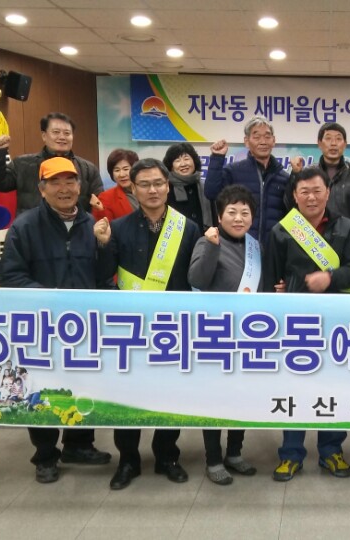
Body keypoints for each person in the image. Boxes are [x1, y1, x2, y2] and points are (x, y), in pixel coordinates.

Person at [0, 156, 113, 484]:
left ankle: (79, 444)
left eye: (70, 181)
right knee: (41, 389)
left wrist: (104, 247)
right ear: (42, 189)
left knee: (84, 385)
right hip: (43, 326)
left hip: (84, 326)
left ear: (80, 186)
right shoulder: (24, 226)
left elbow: (104, 277)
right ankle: (46, 455)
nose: (64, 189)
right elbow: (10, 277)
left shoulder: (93, 224)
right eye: (55, 182)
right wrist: (52, 298)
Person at [94, 158, 202, 490]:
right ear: (133, 188)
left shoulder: (188, 228)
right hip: (131, 329)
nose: (152, 190)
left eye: (158, 183)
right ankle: (128, 460)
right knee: (127, 395)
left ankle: (167, 456)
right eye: (144, 184)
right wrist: (102, 245)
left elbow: (195, 278)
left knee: (171, 395)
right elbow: (103, 277)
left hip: (174, 328)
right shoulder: (119, 228)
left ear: (167, 186)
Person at [263, 167, 350, 481]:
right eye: (304, 191)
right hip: (295, 323)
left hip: (336, 321)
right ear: (295, 196)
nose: (311, 197)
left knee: (333, 386)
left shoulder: (345, 226)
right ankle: (290, 453)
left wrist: (330, 278)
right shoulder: (281, 231)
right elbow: (271, 279)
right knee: (294, 387)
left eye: (317, 190)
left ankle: (331, 451)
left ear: (327, 193)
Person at [188, 185, 263, 485]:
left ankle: (234, 452)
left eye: (245, 212)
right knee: (213, 398)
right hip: (216, 335)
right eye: (231, 212)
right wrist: (211, 246)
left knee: (241, 397)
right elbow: (196, 279)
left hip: (247, 336)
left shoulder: (255, 247)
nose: (239, 218)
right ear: (219, 216)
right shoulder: (207, 240)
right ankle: (213, 459)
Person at [0, 112, 103, 215]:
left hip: (73, 229)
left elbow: (100, 201)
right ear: (44, 136)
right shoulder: (22, 164)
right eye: (56, 132)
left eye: (67, 133)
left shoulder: (88, 169)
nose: (62, 137)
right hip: (31, 229)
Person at [205, 116, 290, 243]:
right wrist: (217, 158)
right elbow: (211, 192)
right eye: (256, 137)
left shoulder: (284, 177)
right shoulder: (233, 171)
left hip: (273, 248)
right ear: (246, 141)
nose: (263, 142)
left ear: (274, 141)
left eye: (267, 137)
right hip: (240, 246)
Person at [291, 122, 350, 238]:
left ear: (345, 144)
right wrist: (295, 174)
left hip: (347, 240)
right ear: (319, 144)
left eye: (338, 139)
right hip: (313, 241)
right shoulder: (307, 173)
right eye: (328, 138)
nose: (333, 144)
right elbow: (292, 206)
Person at [163, 142, 214, 230]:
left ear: (194, 161)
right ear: (171, 166)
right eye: (177, 160)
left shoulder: (206, 188)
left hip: (205, 236)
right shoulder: (166, 189)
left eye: (186, 159)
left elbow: (214, 217)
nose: (183, 164)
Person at [91, 148, 138, 221]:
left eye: (126, 169)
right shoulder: (106, 197)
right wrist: (99, 209)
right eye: (117, 170)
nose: (121, 174)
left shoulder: (148, 191)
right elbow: (105, 225)